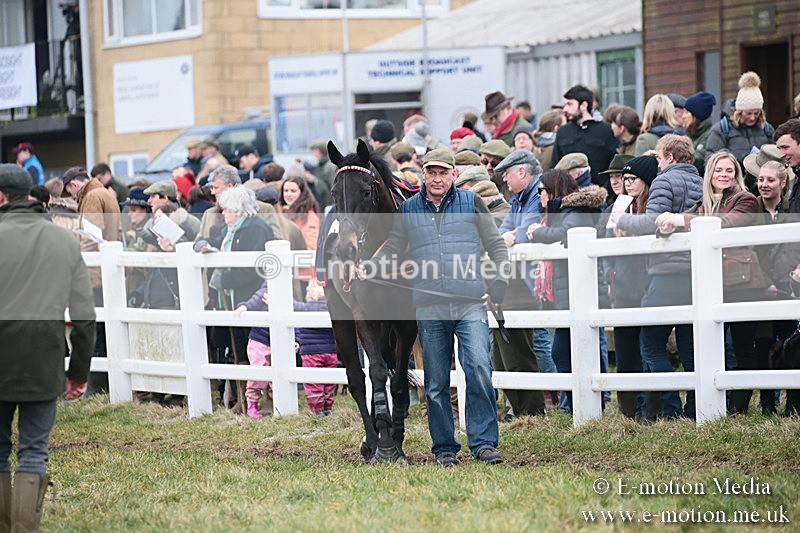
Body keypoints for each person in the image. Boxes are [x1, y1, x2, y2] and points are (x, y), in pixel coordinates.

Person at [357, 148, 510, 466]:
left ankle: (483, 444)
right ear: (423, 174)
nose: (437, 178)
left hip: (469, 303)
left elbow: (496, 245)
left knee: (479, 369)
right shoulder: (409, 209)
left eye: (443, 172)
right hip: (430, 305)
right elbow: (394, 247)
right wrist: (371, 266)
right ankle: (444, 449)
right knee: (436, 382)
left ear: (454, 174)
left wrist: (500, 283)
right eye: (431, 172)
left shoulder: (472, 202)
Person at [0, 163, 96, 532]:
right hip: (44, 356)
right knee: (33, 450)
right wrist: (79, 373)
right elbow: (84, 316)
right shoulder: (63, 240)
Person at [656, 150, 766, 415]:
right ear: (710, 174)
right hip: (711, 284)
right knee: (713, 346)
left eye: (729, 170)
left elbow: (725, 223)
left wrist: (679, 219)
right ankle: (717, 403)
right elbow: (676, 224)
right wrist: (666, 227)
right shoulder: (702, 203)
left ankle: (738, 407)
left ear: (737, 175)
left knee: (742, 346)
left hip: (743, 283)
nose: (724, 175)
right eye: (719, 170)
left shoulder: (746, 200)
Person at [616, 134, 703, 419]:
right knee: (690, 348)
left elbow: (649, 221)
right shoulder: (700, 180)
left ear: (670, 157)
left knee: (650, 344)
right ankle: (695, 409)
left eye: (660, 158)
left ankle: (671, 408)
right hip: (696, 271)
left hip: (667, 271)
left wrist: (621, 219)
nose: (658, 164)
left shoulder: (664, 181)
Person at [525, 170, 608, 413]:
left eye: (541, 190)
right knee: (564, 352)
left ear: (553, 190)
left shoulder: (576, 211)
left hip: (577, 291)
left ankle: (586, 405)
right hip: (565, 291)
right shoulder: (561, 211)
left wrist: (537, 232)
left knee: (573, 351)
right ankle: (574, 406)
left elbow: (565, 235)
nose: (539, 195)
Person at [490, 150, 547, 418]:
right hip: (524, 281)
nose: (504, 179)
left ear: (522, 172)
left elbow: (524, 233)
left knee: (524, 349)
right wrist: (509, 236)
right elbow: (503, 233)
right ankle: (526, 411)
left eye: (507, 174)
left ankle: (534, 411)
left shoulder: (536, 195)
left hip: (532, 282)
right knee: (507, 354)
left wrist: (511, 235)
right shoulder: (520, 198)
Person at [608, 155, 659, 420]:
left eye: (632, 178)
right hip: (624, 287)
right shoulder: (617, 207)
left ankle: (652, 409)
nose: (626, 183)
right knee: (626, 353)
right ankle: (628, 411)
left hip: (649, 285)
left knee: (648, 350)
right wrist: (610, 276)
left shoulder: (654, 207)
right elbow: (605, 244)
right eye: (624, 178)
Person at [753, 160, 796, 415]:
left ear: (783, 182)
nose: (764, 184)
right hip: (759, 286)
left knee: (791, 343)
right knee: (763, 344)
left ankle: (793, 403)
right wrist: (762, 281)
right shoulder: (752, 207)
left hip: (788, 284)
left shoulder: (792, 208)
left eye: (770, 180)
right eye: (761, 179)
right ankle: (767, 403)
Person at [551, 84, 618, 184]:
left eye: (569, 104)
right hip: (570, 191)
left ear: (583, 105)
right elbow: (555, 167)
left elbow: (614, 165)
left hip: (601, 190)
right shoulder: (563, 132)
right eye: (565, 105)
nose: (565, 109)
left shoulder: (606, 130)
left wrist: (607, 189)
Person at [705, 72, 774, 168]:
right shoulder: (722, 130)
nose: (753, 117)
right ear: (739, 112)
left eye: (756, 113)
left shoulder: (767, 129)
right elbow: (711, 161)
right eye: (748, 113)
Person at [280, 176, 320, 253]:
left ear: (302, 193)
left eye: (293, 191)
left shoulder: (309, 216)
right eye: (286, 191)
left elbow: (311, 245)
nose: (288, 194)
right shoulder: (282, 212)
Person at [682, 91, 717, 174]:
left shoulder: (711, 135)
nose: (683, 116)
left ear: (696, 115)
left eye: (687, 112)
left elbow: (699, 160)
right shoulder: (689, 134)